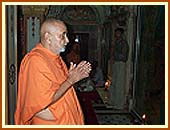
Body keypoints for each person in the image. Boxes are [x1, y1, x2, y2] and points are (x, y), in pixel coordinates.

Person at [15, 18, 92, 125]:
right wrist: (71, 80)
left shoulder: (56, 58)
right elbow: (42, 101)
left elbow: (60, 87)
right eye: (62, 36)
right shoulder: (35, 60)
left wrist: (71, 77)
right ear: (48, 37)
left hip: (63, 117)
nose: (67, 40)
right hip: (51, 122)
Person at [108, 27, 129, 109]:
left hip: (120, 63)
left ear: (121, 34)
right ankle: (113, 101)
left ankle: (119, 104)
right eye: (116, 33)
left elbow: (124, 57)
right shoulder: (116, 42)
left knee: (119, 84)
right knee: (113, 83)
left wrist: (114, 53)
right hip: (115, 63)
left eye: (118, 33)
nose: (117, 35)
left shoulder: (123, 43)